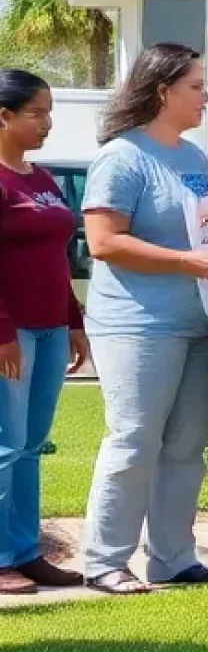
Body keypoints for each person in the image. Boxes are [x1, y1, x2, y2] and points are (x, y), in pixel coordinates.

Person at [80, 43, 208, 595]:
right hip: (136, 324)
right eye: (196, 86)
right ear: (163, 90)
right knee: (134, 439)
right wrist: (185, 261)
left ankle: (173, 558)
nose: (206, 96)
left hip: (200, 320)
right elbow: (103, 242)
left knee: (186, 446)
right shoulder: (122, 157)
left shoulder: (193, 157)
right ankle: (104, 560)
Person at [0, 71, 90, 594]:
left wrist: (73, 322)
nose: (47, 122)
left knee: (31, 445)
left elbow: (60, 256)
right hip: (11, 335)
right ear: (4, 116)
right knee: (5, 445)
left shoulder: (42, 178)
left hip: (52, 328)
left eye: (49, 111)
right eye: (36, 112)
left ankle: (25, 551)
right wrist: (4, 332)